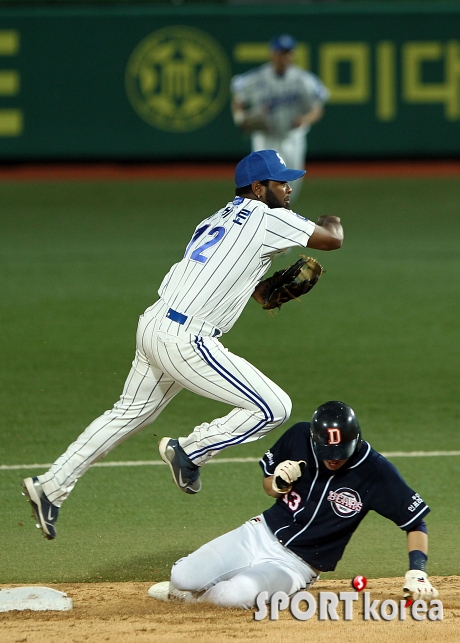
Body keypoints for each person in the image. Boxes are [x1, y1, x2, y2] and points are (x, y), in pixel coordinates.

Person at [22, 149, 343, 540]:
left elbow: (236, 279)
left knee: (127, 414)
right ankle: (190, 451)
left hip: (155, 323)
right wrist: (331, 218)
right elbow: (331, 239)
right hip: (184, 338)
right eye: (281, 182)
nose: (289, 188)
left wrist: (263, 291)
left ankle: (50, 487)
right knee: (273, 407)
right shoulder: (265, 216)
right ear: (259, 189)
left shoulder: (216, 218)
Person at [147, 401, 438, 609]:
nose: (333, 458)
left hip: (296, 564)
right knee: (182, 576)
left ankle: (195, 599)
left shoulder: (375, 472)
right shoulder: (299, 436)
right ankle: (188, 589)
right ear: (314, 439)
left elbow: (415, 522)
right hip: (258, 533)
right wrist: (277, 484)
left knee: (231, 597)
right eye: (327, 451)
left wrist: (418, 571)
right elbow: (268, 486)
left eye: (340, 452)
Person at [231, 34, 330, 202]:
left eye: (288, 53)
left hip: (292, 137)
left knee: (290, 187)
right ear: (272, 54)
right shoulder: (256, 78)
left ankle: (281, 220)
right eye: (280, 52)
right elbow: (238, 100)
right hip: (265, 137)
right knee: (263, 185)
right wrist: (240, 119)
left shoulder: (302, 79)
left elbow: (317, 108)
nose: (284, 57)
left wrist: (305, 119)